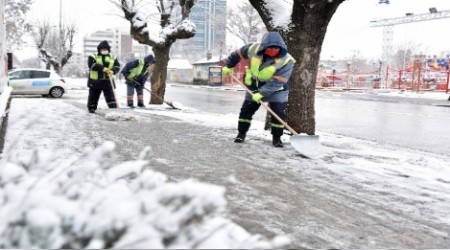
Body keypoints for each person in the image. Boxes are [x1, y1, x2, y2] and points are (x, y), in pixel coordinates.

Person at [222, 31, 295, 147]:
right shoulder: (253, 49)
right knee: (246, 111)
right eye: (270, 48)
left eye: (276, 48)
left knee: (278, 113)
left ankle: (277, 138)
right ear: (264, 46)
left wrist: (262, 93)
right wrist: (229, 66)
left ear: (280, 47)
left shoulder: (286, 60)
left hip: (277, 89)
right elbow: (237, 54)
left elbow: (279, 81)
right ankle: (241, 134)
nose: (273, 51)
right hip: (254, 86)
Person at [87, 40, 121, 113]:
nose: (104, 50)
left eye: (106, 49)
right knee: (93, 97)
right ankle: (92, 109)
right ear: (99, 49)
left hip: (108, 81)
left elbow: (117, 66)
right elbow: (91, 65)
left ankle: (114, 110)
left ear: (108, 49)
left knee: (111, 98)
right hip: (95, 81)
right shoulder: (93, 55)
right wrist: (103, 68)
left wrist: (113, 71)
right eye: (102, 49)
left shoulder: (112, 56)